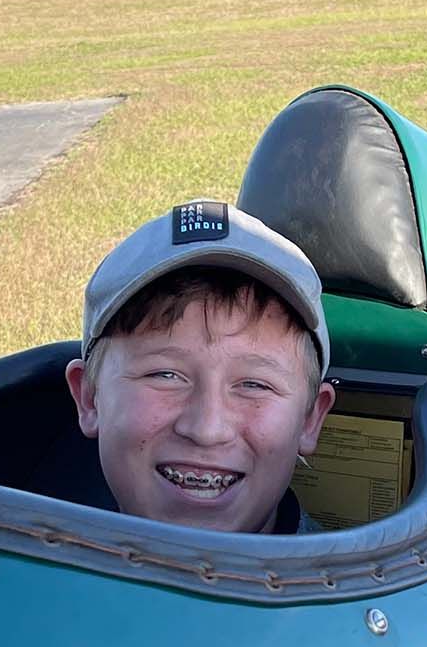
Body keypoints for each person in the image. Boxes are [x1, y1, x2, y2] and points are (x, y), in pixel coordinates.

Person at [64, 200, 335, 534]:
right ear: (90, 398)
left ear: (310, 419)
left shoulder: (365, 586)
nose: (207, 429)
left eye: (254, 385)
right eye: (165, 375)